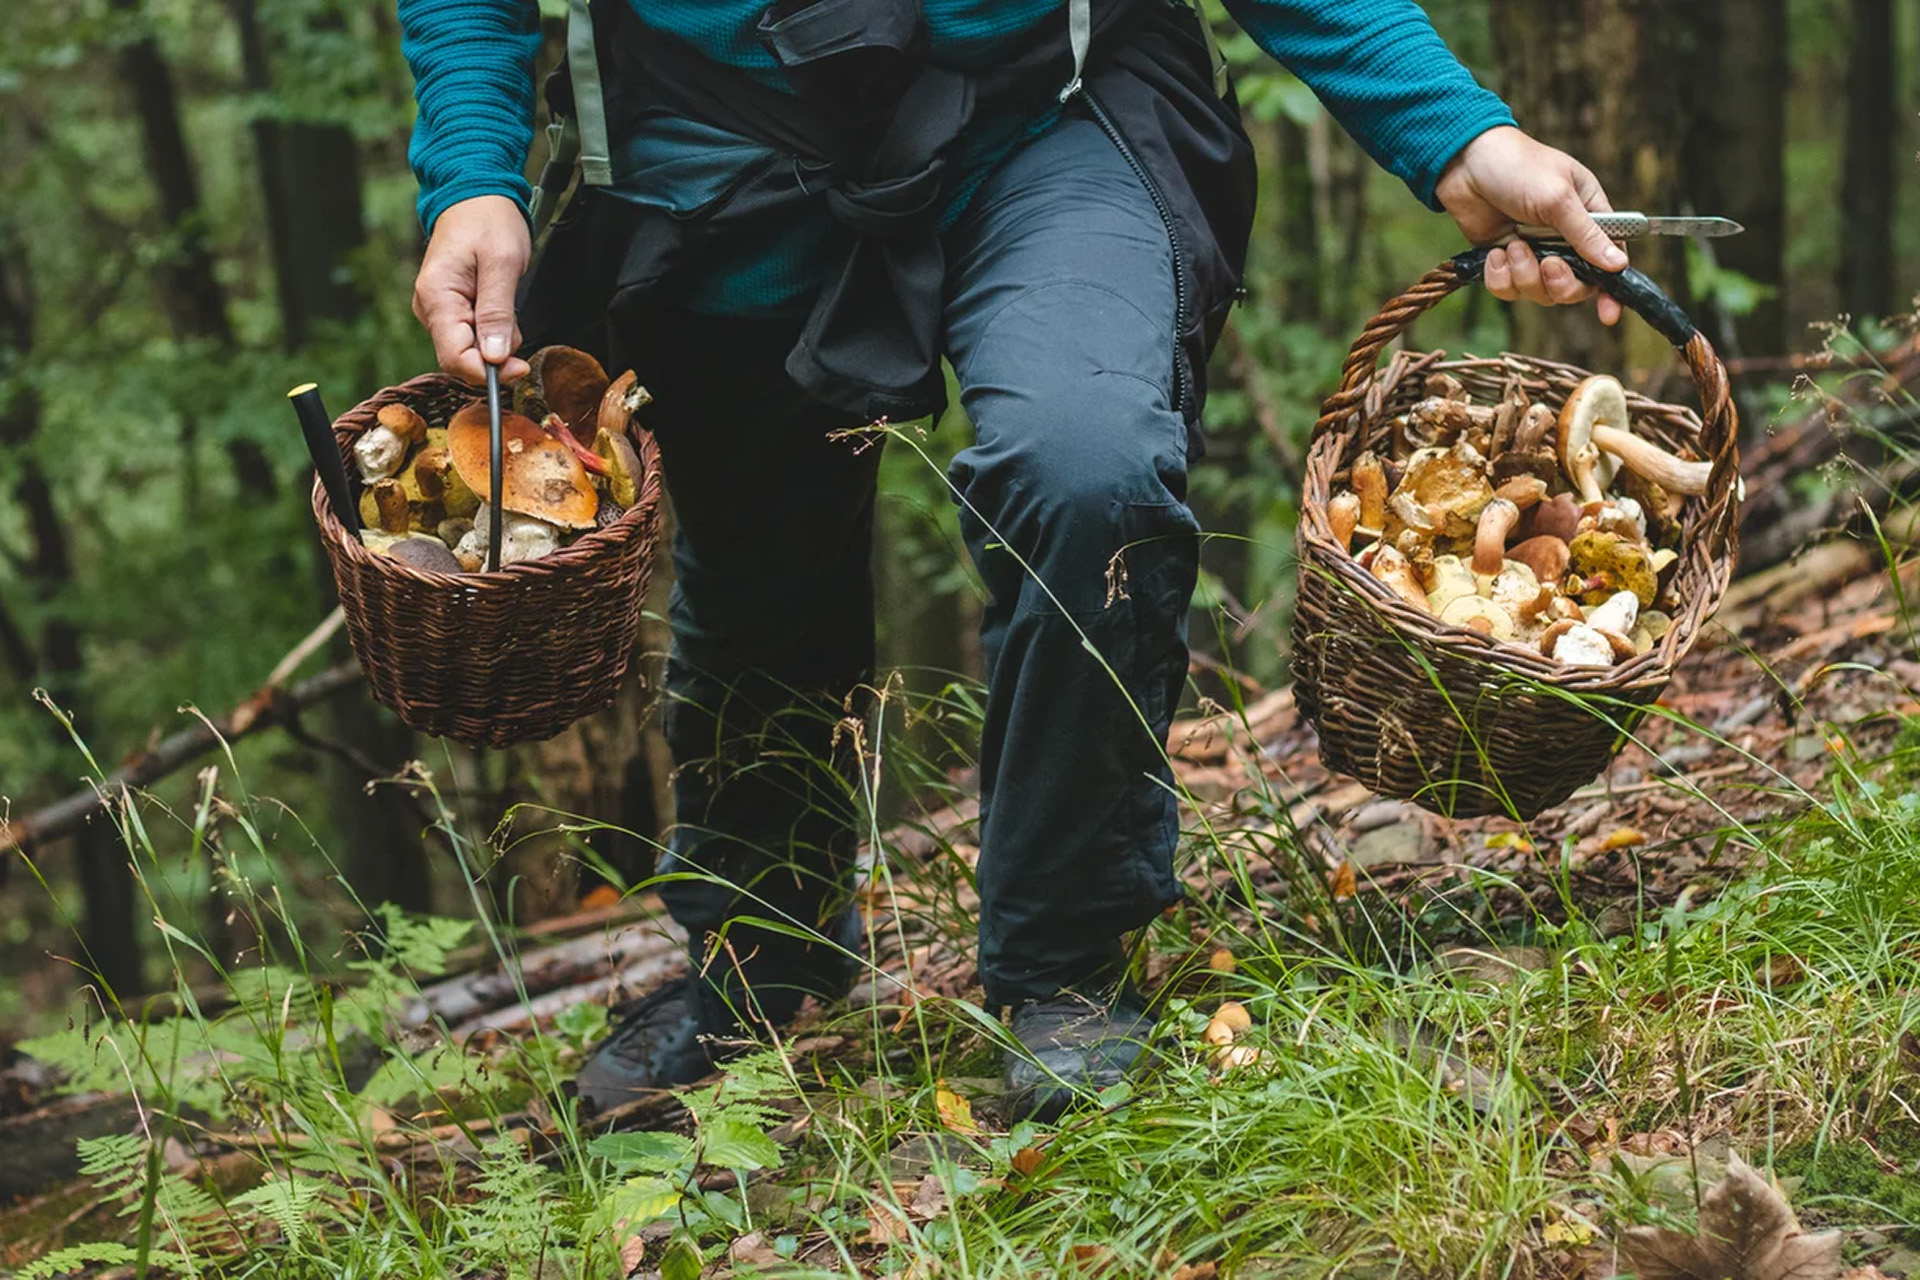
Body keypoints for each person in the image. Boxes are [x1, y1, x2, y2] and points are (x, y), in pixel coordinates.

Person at [399, 0, 1628, 1123]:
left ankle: (1066, 963)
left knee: (1085, 463)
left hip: (1041, 111)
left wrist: (1457, 134)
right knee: (756, 581)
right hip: (712, 152)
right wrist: (471, 178)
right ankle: (756, 966)